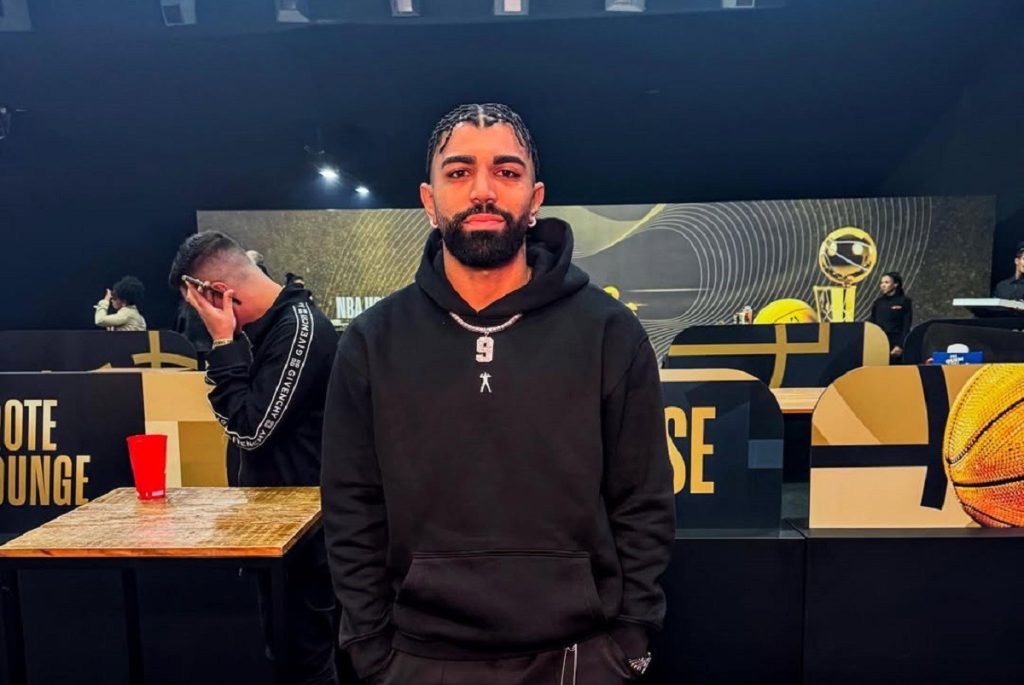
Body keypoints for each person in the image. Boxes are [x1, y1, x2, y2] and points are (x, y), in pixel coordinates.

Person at [321, 103, 675, 685]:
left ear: (535, 199)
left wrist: (630, 640)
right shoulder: (372, 341)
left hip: (580, 656)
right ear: (429, 200)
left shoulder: (609, 332)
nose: (483, 190)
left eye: (506, 172)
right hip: (416, 658)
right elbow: (351, 505)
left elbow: (643, 500)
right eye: (459, 172)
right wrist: (369, 646)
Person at [167, 232, 340, 685]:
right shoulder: (267, 331)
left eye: (198, 306)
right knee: (284, 654)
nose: (199, 319)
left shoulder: (299, 329)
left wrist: (223, 343)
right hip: (274, 527)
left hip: (306, 533)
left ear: (218, 293)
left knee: (306, 661)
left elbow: (250, 430)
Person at [869, 271, 913, 362]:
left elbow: (906, 325)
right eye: (881, 283)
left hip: (896, 343)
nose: (883, 285)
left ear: (895, 284)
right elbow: (872, 323)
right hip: (879, 343)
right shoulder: (878, 302)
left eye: (886, 282)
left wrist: (900, 345)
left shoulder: (904, 301)